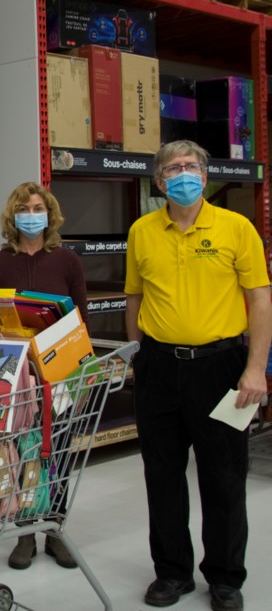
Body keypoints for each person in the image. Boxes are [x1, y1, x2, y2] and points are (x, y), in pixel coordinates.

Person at [125, 140, 270, 611]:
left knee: (224, 476)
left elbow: (260, 300)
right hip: (159, 368)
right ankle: (172, 573)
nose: (182, 174)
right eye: (172, 168)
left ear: (205, 176)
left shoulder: (236, 227)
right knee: (161, 475)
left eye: (191, 166)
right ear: (159, 180)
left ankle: (226, 578)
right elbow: (134, 297)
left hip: (222, 368)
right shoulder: (143, 231)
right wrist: (137, 356)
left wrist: (255, 369)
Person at [0, 181, 89, 570]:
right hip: (13, 379)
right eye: (24, 209)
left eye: (38, 207)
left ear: (50, 213)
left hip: (58, 375)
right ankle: (24, 532)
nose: (32, 215)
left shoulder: (68, 261)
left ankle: (55, 528)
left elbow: (81, 320)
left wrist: (79, 370)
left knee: (56, 453)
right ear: (13, 217)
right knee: (20, 454)